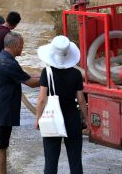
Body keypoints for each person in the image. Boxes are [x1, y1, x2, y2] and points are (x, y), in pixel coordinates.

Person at [0, 32, 40, 174]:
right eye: (21, 45)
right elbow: (31, 83)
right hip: (2, 111)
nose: (23, 48)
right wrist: (50, 76)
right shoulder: (9, 63)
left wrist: (41, 74)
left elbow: (24, 75)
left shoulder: (0, 57)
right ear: (15, 46)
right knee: (1, 148)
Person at [34, 36, 88, 174]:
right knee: (75, 161)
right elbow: (81, 99)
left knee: (51, 162)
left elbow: (41, 98)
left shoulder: (47, 72)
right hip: (72, 118)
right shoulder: (76, 74)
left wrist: (38, 119)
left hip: (52, 118)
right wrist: (86, 119)